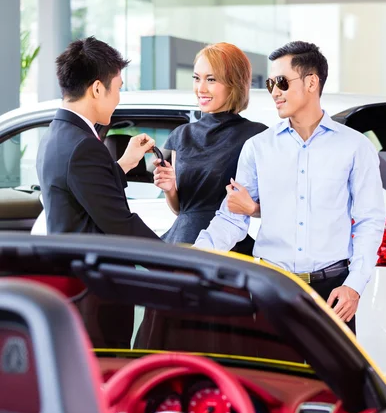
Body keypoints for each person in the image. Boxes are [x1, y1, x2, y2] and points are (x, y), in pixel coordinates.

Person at [194, 41, 386, 333]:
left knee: (334, 379)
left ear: (312, 82)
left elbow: (370, 221)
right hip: (272, 290)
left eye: (282, 82)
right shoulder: (258, 147)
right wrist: (195, 255)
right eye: (270, 83)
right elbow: (231, 219)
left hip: (333, 291)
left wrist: (354, 286)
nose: (274, 92)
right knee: (272, 379)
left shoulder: (355, 147)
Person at [36, 36, 159, 240]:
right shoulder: (84, 146)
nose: (119, 97)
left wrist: (124, 164)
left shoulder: (54, 134)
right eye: (119, 88)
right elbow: (122, 226)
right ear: (97, 89)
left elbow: (87, 190)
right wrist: (180, 265)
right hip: (90, 268)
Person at [152, 42, 267, 253]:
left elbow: (279, 207)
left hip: (228, 248)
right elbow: (181, 210)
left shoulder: (258, 136)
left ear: (235, 83)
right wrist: (170, 189)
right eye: (196, 78)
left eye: (211, 79)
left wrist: (252, 209)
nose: (200, 88)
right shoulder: (181, 135)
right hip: (181, 242)